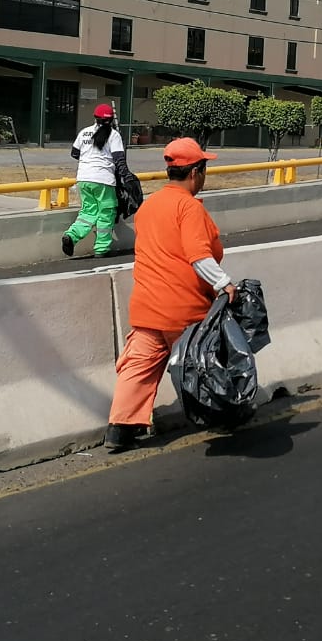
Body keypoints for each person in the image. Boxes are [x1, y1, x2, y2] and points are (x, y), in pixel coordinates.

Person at [104, 138, 234, 451]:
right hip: (184, 309)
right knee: (204, 362)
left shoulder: (149, 206)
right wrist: (224, 284)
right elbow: (199, 256)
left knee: (139, 366)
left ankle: (119, 429)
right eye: (204, 169)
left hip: (148, 306)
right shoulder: (188, 208)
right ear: (197, 173)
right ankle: (219, 414)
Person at [62, 103, 127, 258]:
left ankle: (72, 235)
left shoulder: (84, 132)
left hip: (83, 178)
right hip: (103, 179)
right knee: (106, 213)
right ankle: (101, 248)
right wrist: (126, 176)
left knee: (88, 212)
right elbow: (119, 158)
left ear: (95, 117)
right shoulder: (114, 135)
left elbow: (75, 153)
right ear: (111, 119)